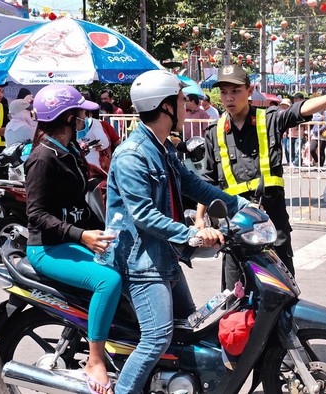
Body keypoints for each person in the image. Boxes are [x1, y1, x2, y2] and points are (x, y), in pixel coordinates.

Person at [105, 70, 248, 394]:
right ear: (166, 107)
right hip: (140, 264)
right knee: (158, 337)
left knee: (191, 329)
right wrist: (191, 234)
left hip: (164, 257)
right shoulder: (132, 155)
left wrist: (241, 206)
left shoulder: (161, 149)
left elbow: (193, 184)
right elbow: (143, 214)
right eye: (182, 100)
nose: (187, 106)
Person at [197, 65, 326, 291]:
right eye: (224, 92)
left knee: (281, 293)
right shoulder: (214, 131)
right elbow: (207, 180)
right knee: (234, 297)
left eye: (236, 91)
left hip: (272, 223)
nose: (229, 98)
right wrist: (200, 219)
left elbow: (299, 111)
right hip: (235, 228)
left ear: (249, 91)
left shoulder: (268, 119)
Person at [26, 84, 121, 394]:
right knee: (108, 281)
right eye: (80, 111)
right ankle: (95, 360)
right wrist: (82, 235)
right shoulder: (43, 157)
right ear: (67, 117)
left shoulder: (71, 151)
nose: (84, 116)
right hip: (47, 249)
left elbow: (82, 202)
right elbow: (37, 215)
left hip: (73, 242)